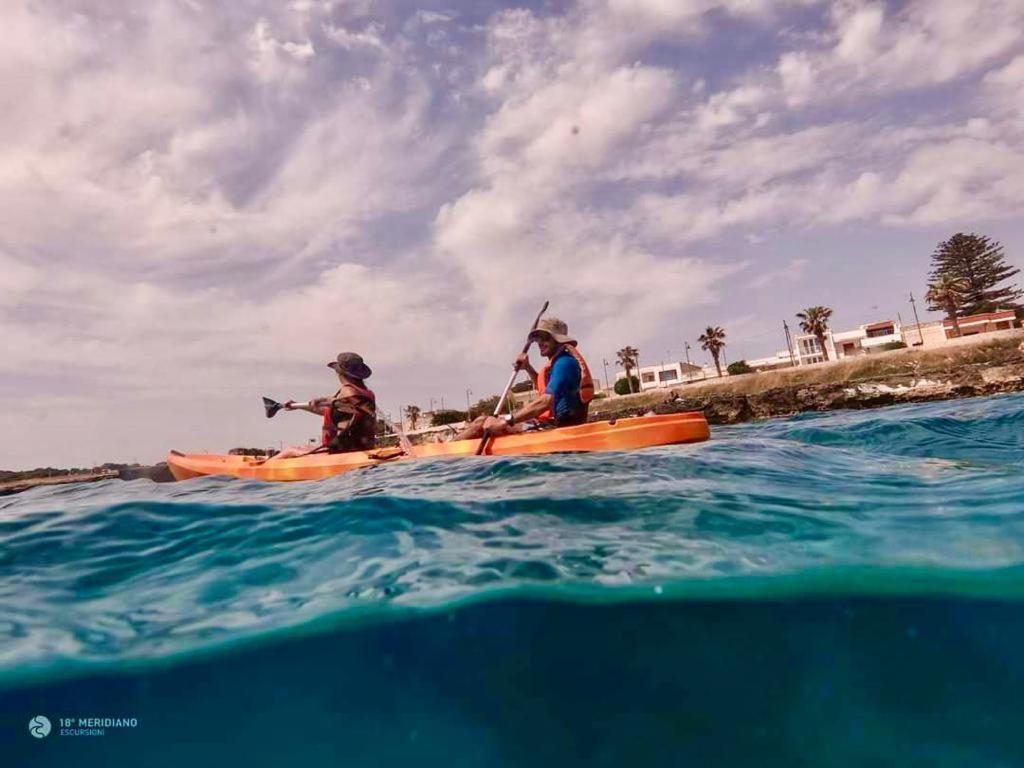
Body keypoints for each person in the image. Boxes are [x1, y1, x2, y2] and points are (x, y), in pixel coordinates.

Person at [455, 317, 594, 441]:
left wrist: (506, 421)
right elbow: (544, 390)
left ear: (558, 340)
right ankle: (451, 445)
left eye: (545, 337)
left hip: (559, 430)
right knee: (483, 421)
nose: (540, 342)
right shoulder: (560, 362)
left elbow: (545, 401)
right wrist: (528, 367)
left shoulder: (565, 363)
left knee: (482, 423)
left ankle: (444, 450)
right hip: (554, 426)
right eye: (538, 338)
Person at [265, 352, 377, 460]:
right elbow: (331, 410)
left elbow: (347, 403)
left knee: (290, 450)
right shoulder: (366, 392)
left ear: (339, 373)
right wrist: (298, 406)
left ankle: (264, 466)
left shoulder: (347, 391)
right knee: (301, 448)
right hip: (356, 449)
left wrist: (325, 400)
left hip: (342, 453)